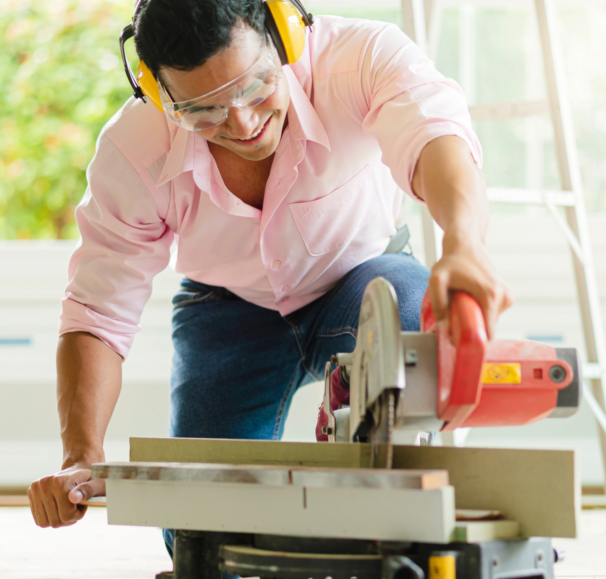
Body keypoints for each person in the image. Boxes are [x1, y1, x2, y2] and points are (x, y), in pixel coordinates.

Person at [27, 0, 511, 544]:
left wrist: (464, 246)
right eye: (202, 110)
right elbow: (98, 311)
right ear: (159, 93)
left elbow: (435, 138)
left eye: (255, 86)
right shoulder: (132, 149)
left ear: (283, 35)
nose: (243, 122)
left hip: (362, 281)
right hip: (228, 308)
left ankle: (368, 463)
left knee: (411, 321)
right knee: (198, 536)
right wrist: (81, 454)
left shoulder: (361, 58)